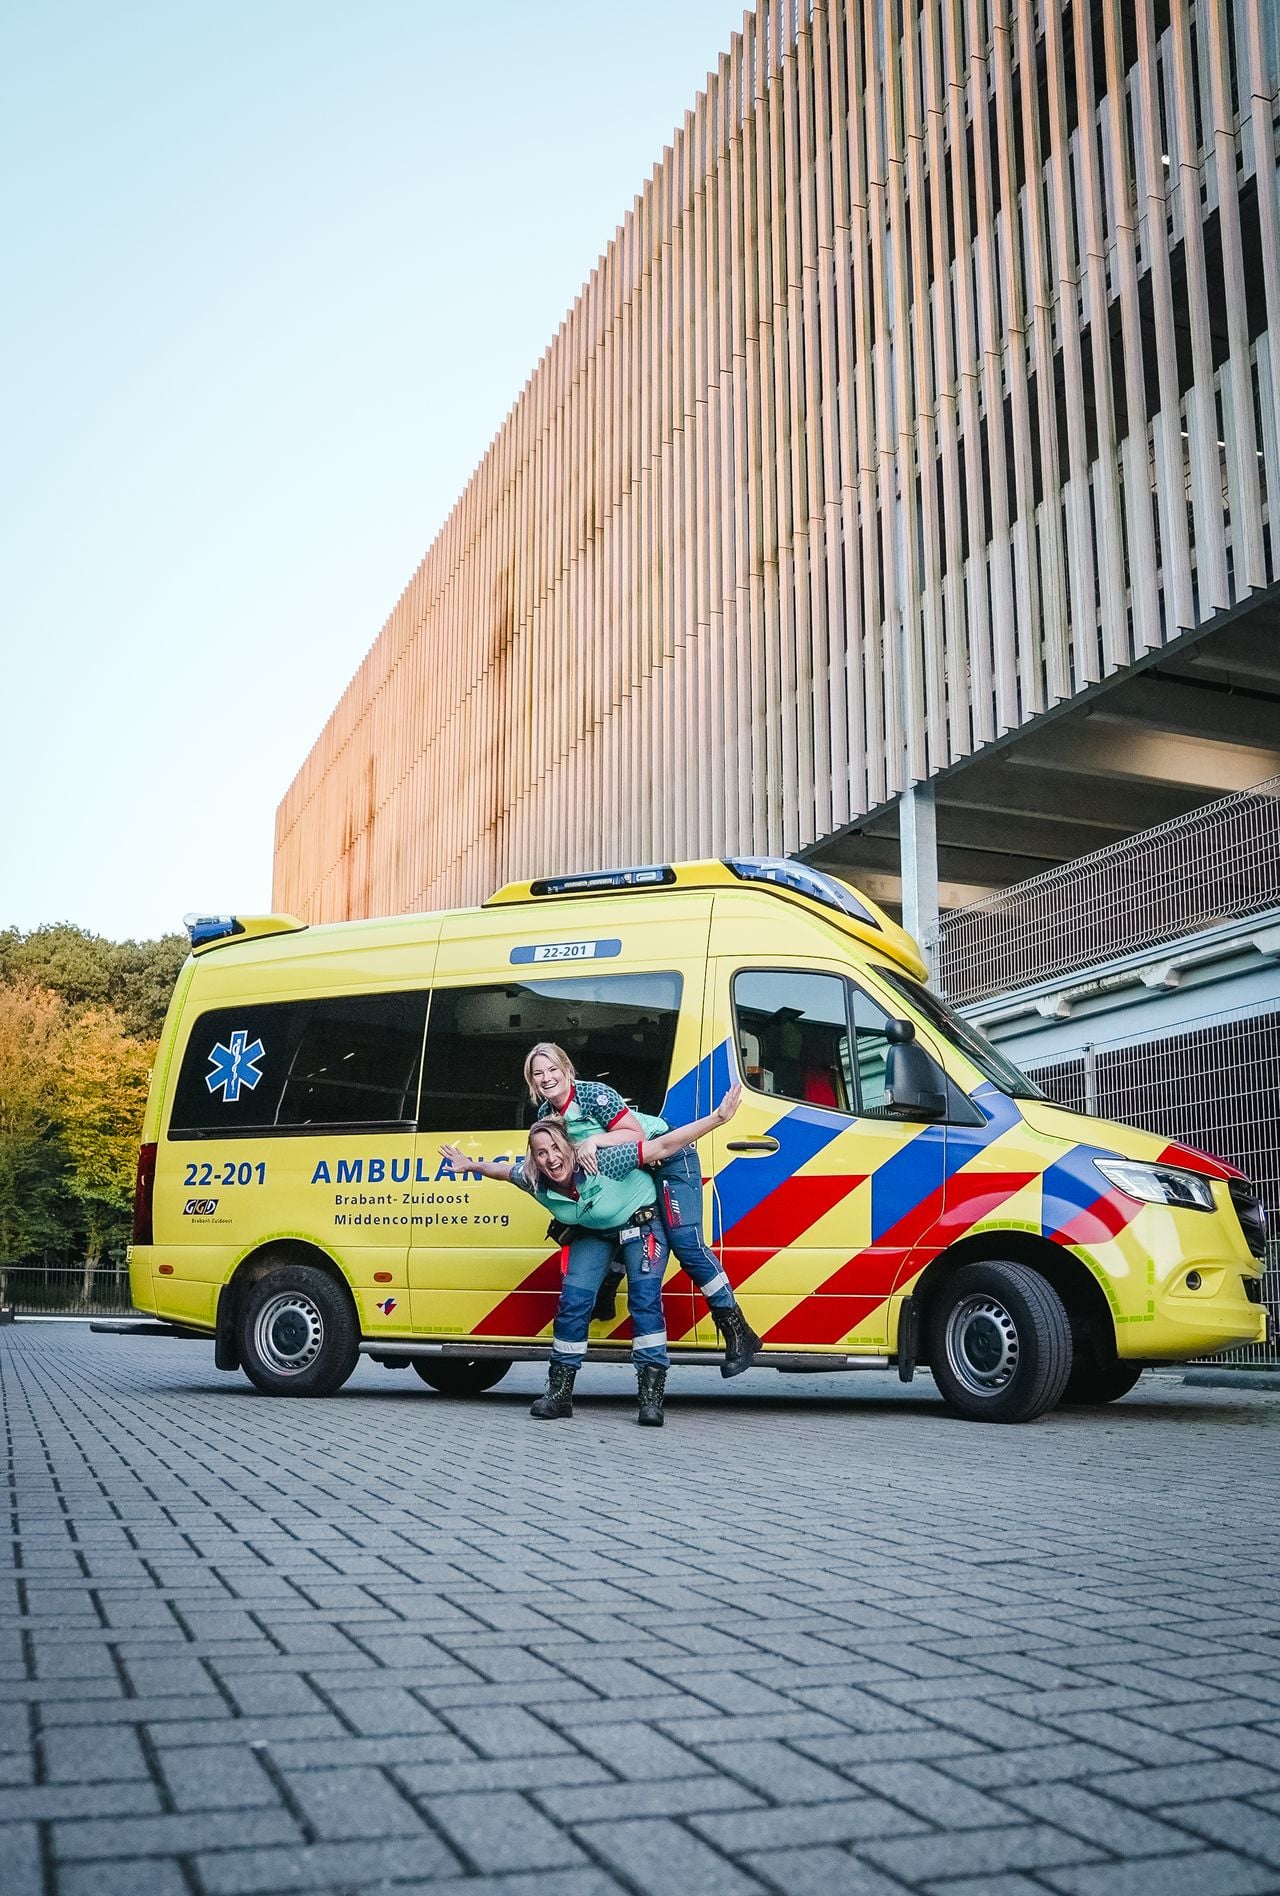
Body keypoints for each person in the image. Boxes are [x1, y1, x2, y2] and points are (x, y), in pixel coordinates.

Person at [440, 1084, 743, 1427]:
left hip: (641, 1223)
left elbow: (663, 1146)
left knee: (644, 1300)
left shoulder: (603, 1159)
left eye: (556, 1148)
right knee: (574, 1301)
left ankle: (651, 1398)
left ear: (569, 1147)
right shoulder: (533, 1179)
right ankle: (559, 1394)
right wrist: (470, 1164)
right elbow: (501, 1171)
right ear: (534, 1159)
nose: (551, 1158)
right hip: (596, 1231)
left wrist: (717, 1118)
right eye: (541, 1153)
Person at [522, 1042, 761, 1377]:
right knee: (617, 1221)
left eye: (552, 1069)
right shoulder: (546, 1116)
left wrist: (593, 1141)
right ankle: (605, 1294)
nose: (547, 1078)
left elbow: (634, 1133)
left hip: (668, 1155)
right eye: (538, 1073)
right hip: (637, 1164)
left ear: (567, 1069)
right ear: (532, 1081)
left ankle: (738, 1330)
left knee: (685, 1244)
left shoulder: (593, 1095)